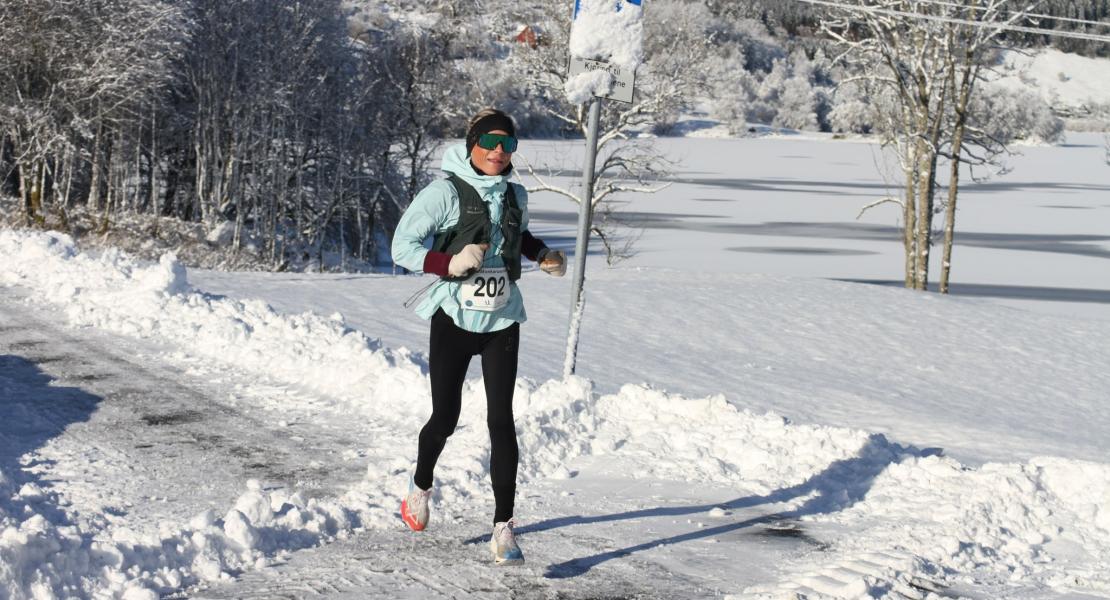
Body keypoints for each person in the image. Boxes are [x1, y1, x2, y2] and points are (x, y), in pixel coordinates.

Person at [391, 108, 566, 566]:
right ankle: (420, 485)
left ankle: (503, 528)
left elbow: (518, 235)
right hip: (453, 317)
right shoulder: (444, 192)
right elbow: (402, 247)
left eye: (507, 145)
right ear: (471, 144)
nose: (497, 151)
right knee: (445, 417)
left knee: (501, 420)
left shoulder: (516, 193)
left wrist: (541, 252)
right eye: (489, 142)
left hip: (501, 319)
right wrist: (447, 263)